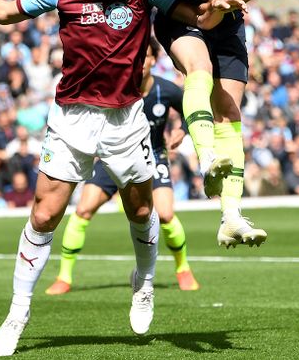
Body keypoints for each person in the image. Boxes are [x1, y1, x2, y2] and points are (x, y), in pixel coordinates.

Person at [0, 0, 244, 356]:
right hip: (72, 118)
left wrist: (225, 2)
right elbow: (6, 12)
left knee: (142, 210)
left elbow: (197, 16)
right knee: (43, 215)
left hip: (125, 119)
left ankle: (144, 283)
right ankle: (18, 312)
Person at [151, 0, 299, 248]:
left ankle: (231, 217)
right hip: (187, 20)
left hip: (229, 24)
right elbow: (205, 17)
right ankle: (206, 158)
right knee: (199, 69)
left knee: (229, 114)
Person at [45, 38, 201, 295]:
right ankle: (64, 277)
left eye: (145, 57)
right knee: (83, 210)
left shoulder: (166, 90)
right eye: (135, 57)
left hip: (153, 157)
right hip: (113, 156)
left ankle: (183, 269)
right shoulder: (115, 87)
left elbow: (190, 108)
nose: (140, 63)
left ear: (153, 60)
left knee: (165, 215)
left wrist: (183, 130)